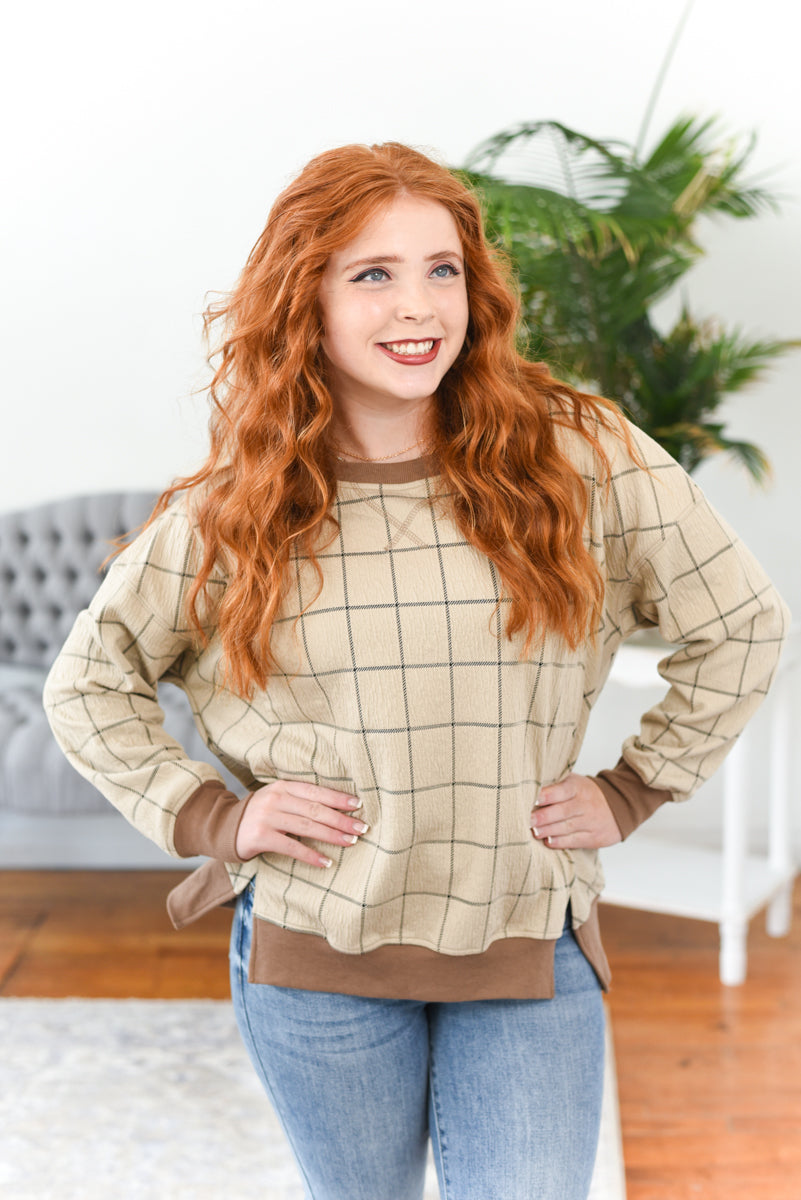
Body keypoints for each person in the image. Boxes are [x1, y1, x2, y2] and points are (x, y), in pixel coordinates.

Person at [44, 142, 788, 1200]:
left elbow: (742, 622)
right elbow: (87, 683)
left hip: (523, 942)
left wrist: (633, 789)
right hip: (317, 957)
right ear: (305, 300)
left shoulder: (582, 457)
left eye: (442, 269)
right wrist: (216, 818)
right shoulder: (237, 509)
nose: (419, 306)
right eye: (373, 273)